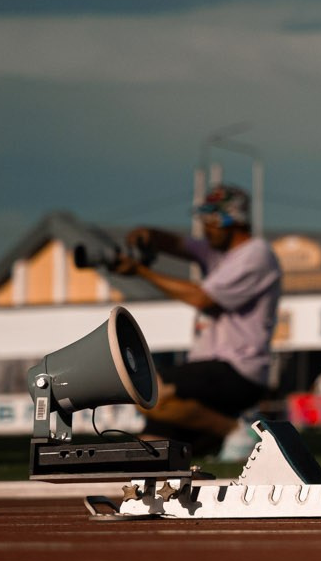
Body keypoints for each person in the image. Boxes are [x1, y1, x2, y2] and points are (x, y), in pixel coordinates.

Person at [117, 184, 284, 454]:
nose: (205, 229)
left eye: (211, 222)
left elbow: (202, 298)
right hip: (209, 371)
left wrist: (140, 271)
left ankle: (234, 430)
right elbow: (178, 244)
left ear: (233, 221)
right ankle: (222, 438)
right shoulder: (220, 254)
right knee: (147, 451)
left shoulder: (256, 254)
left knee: (148, 386)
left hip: (237, 369)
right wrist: (148, 236)